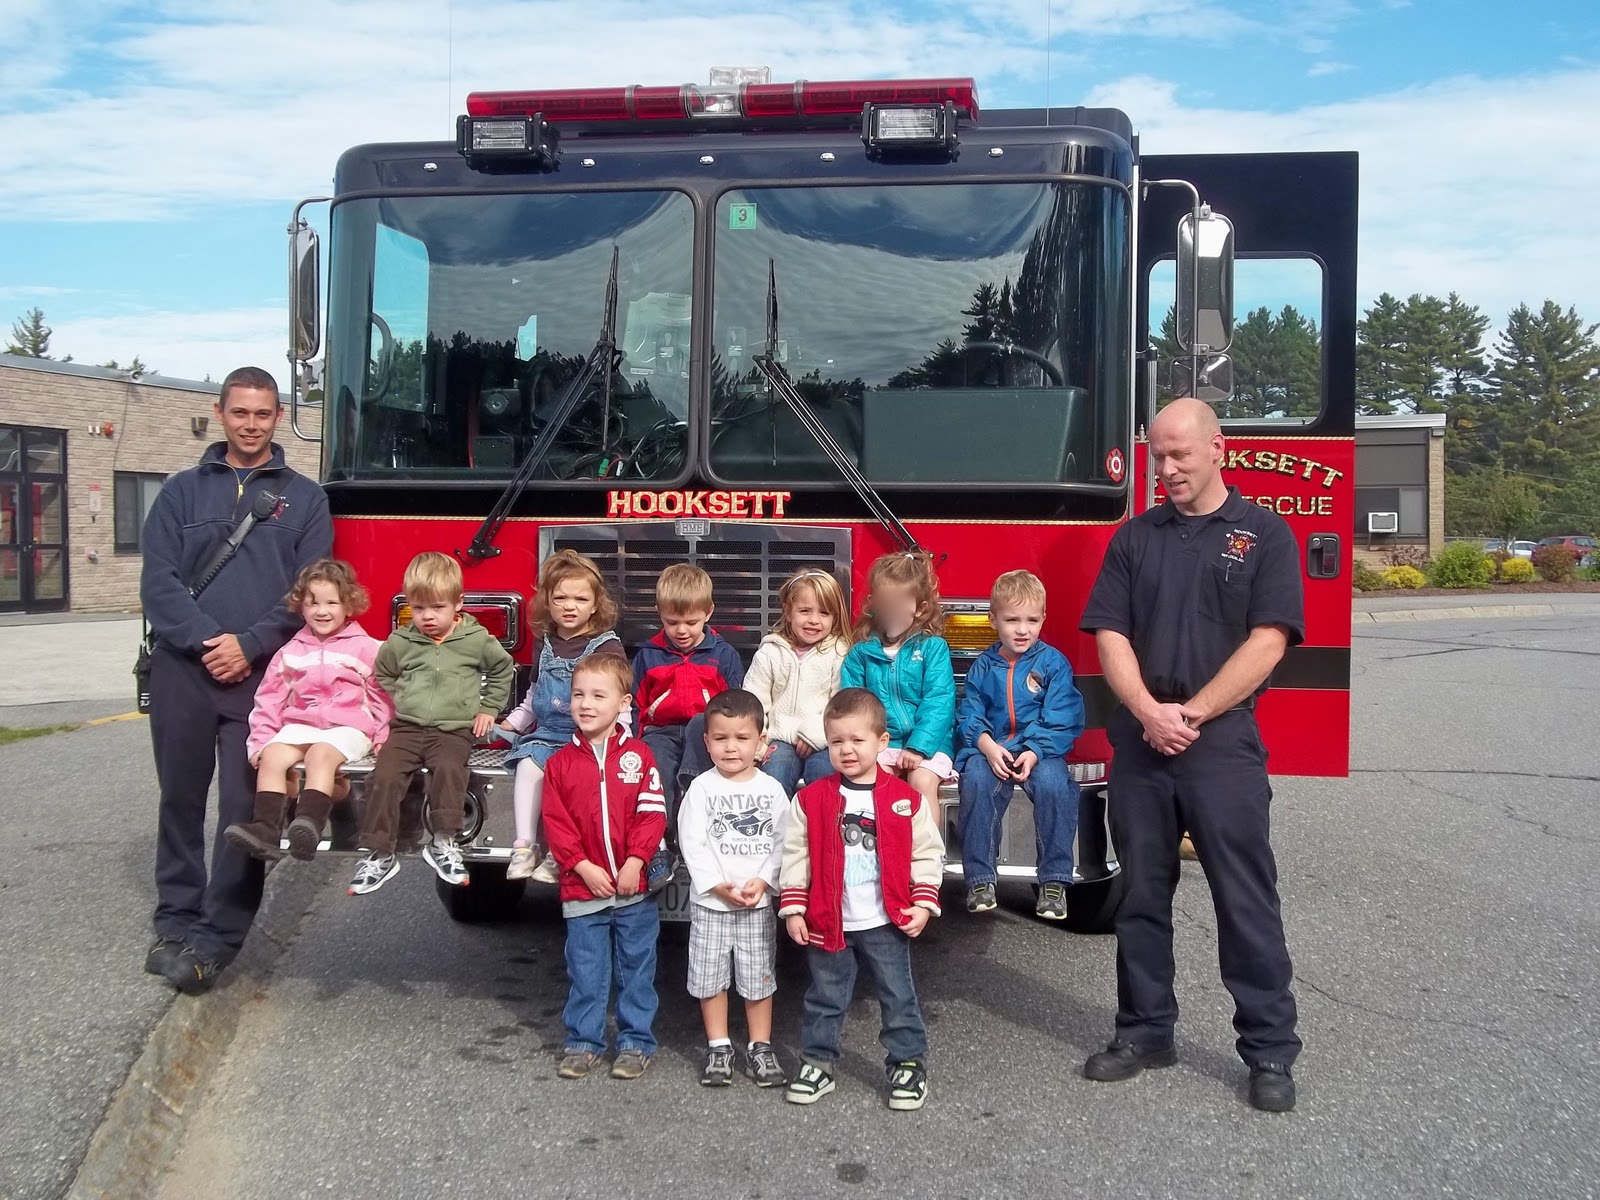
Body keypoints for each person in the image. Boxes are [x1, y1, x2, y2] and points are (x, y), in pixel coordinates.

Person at [1079, 396, 1306, 1114]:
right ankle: (1146, 1031)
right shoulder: (1134, 539)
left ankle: (1269, 1049)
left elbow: (1269, 640)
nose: (1167, 468)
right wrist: (1148, 711)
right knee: (1141, 896)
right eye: (1158, 455)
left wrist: (1195, 712)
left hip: (1223, 741)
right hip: (1144, 742)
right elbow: (1109, 634)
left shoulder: (1265, 534)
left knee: (1245, 899)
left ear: (1219, 449)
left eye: (1179, 453)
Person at [140, 366, 332, 995]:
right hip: (183, 672)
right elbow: (159, 584)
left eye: (263, 414)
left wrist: (248, 645)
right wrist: (206, 642)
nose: (251, 425)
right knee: (179, 800)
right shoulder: (178, 494)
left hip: (261, 677)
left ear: (280, 418)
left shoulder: (306, 500)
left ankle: (217, 938)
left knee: (245, 810)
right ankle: (175, 919)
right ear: (220, 413)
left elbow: (309, 591)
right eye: (240, 412)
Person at [778, 688, 945, 1112]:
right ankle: (817, 1062)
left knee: (898, 994)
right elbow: (796, 854)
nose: (846, 750)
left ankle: (907, 1063)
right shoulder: (810, 800)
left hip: (887, 918)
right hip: (828, 919)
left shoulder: (905, 800)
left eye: (857, 740)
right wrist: (795, 906)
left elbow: (927, 851)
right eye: (836, 742)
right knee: (825, 996)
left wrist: (923, 903)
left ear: (882, 742)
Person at [347, 552, 515, 896]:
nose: (427, 617)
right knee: (384, 775)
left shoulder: (476, 639)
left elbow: (502, 669)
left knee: (451, 770)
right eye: (419, 608)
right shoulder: (401, 642)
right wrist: (404, 696)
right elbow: (384, 672)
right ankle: (380, 852)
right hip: (407, 729)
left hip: (453, 729)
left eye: (437, 608)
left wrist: (488, 709)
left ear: (458, 604)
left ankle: (443, 841)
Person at [541, 654, 668, 1080]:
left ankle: (635, 1042)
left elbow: (652, 813)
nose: (586, 704)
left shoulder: (640, 756)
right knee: (587, 970)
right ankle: (583, 1040)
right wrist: (580, 867)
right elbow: (556, 825)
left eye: (599, 695)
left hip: (634, 891)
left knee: (637, 969)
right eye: (579, 694)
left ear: (624, 703)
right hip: (583, 890)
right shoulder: (559, 765)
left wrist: (637, 860)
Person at [225, 559, 393, 862]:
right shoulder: (290, 652)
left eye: (332, 602)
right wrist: (261, 742)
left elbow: (382, 696)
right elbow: (269, 699)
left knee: (320, 755)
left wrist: (384, 734)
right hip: (301, 724)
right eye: (313, 603)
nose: (321, 611)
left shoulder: (366, 648)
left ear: (349, 604)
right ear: (301, 605)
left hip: (349, 726)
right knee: (274, 756)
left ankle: (309, 825)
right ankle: (267, 830)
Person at [956, 569, 1085, 920]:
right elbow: (970, 711)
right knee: (977, 782)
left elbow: (1063, 715)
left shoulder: (1053, 664)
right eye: (1012, 620)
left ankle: (1054, 881)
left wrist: (1035, 750)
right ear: (993, 620)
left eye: (1031, 620)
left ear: (1043, 619)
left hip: (1040, 750)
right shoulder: (983, 666)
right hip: (992, 748)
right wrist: (984, 745)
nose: (1022, 629)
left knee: (1055, 785)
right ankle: (980, 879)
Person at [677, 689, 789, 1089]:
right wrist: (715, 885)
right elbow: (693, 841)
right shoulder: (701, 789)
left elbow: (782, 841)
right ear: (706, 742)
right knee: (711, 979)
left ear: (761, 743)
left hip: (757, 904)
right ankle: (719, 1045)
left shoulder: (772, 791)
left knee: (759, 978)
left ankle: (760, 1045)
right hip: (712, 904)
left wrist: (764, 880)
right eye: (720, 738)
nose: (730, 748)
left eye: (742, 739)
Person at [499, 550, 626, 883]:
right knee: (528, 765)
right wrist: (511, 723)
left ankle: (562, 853)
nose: (570, 606)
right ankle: (524, 846)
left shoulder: (606, 647)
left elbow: (618, 702)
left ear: (596, 604)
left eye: (581, 598)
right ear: (547, 603)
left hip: (587, 736)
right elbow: (534, 694)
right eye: (561, 598)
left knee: (571, 778)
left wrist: (621, 739)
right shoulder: (545, 644)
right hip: (546, 734)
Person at [632, 562, 744, 836]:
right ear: (659, 614)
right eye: (672, 622)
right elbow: (634, 705)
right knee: (656, 772)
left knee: (698, 722)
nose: (682, 630)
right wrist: (632, 745)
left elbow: (738, 704)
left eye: (691, 622)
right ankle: (659, 839)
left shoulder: (723, 654)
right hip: (661, 731)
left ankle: (695, 817)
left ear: (708, 613)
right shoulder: (648, 654)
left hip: (706, 734)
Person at [840, 551, 956, 808]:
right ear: (873, 605)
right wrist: (867, 743)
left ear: (920, 608)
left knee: (922, 783)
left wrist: (918, 747)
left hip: (930, 741)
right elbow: (852, 705)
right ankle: (883, 846)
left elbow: (939, 700)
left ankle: (928, 849)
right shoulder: (860, 654)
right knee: (874, 784)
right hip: (881, 741)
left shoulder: (932, 648)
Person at [744, 567, 851, 796]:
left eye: (824, 613)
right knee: (773, 776)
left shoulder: (839, 654)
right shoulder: (771, 652)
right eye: (804, 611)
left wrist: (816, 734)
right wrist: (756, 744)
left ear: (835, 617)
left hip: (823, 739)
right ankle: (775, 830)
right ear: (788, 611)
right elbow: (754, 702)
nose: (814, 620)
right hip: (779, 738)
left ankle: (823, 830)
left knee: (825, 779)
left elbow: (841, 704)